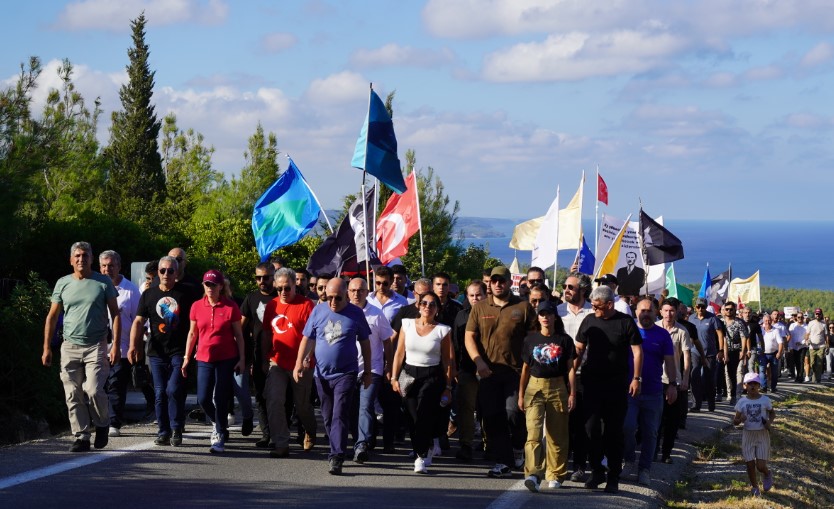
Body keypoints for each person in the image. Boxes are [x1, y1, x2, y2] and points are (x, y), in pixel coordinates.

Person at [43, 242, 120, 452]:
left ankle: (103, 423)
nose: (81, 259)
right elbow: (52, 316)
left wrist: (115, 346)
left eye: (85, 255)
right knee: (72, 393)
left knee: (93, 389)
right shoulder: (63, 283)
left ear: (91, 258)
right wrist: (47, 347)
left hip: (96, 344)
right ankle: (82, 436)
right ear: (71, 260)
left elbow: (115, 314)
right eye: (77, 256)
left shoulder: (103, 282)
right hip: (69, 345)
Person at [293, 278, 372, 475]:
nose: (333, 302)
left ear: (346, 295)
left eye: (337, 298)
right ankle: (336, 445)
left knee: (340, 413)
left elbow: (365, 344)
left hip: (346, 372)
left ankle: (337, 456)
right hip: (322, 374)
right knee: (327, 416)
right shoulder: (318, 311)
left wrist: (368, 371)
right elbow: (308, 338)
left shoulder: (356, 314)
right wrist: (298, 364)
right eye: (329, 298)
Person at [465, 266, 537, 479]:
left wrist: (529, 365)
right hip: (488, 372)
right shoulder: (479, 308)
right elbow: (469, 336)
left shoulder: (523, 307)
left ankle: (517, 446)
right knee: (492, 417)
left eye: (501, 280)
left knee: (513, 413)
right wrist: (478, 362)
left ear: (508, 282)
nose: (497, 284)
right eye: (494, 280)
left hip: (516, 372)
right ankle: (503, 462)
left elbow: (533, 338)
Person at [574, 285, 643, 494]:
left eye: (598, 306)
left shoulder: (625, 322)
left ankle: (613, 476)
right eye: (593, 306)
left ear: (609, 304)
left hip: (616, 385)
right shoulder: (589, 321)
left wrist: (636, 378)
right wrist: (570, 374)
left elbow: (637, 352)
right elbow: (579, 349)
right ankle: (597, 470)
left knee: (614, 431)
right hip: (591, 383)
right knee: (591, 428)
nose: (594, 310)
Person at [129, 256, 196, 446]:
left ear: (177, 273)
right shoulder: (148, 295)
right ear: (158, 272)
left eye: (171, 271)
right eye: (162, 271)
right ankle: (164, 431)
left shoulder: (187, 294)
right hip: (156, 352)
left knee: (173, 389)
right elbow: (138, 321)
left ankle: (177, 427)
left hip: (179, 351)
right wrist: (134, 346)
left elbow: (196, 322)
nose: (166, 274)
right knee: (159, 393)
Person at [182, 270, 246, 453]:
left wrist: (241, 359)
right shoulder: (196, 306)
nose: (209, 288)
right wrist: (187, 358)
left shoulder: (230, 306)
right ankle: (219, 423)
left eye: (213, 285)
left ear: (220, 286)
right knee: (202, 397)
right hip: (203, 357)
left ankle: (218, 435)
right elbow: (192, 333)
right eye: (206, 284)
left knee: (220, 397)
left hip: (226, 358)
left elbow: (239, 336)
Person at [391, 291, 453, 474]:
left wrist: (448, 386)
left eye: (432, 304)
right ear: (418, 305)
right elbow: (399, 353)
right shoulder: (407, 324)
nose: (427, 307)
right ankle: (425, 445)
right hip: (409, 374)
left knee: (424, 412)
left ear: (437, 309)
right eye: (424, 303)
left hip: (432, 376)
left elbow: (447, 361)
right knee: (412, 416)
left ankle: (421, 455)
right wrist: (394, 377)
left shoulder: (443, 330)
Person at [519, 301, 576, 492]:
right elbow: (525, 369)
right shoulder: (530, 340)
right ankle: (533, 474)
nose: (545, 317)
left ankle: (556, 474)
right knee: (533, 433)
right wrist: (521, 394)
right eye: (542, 314)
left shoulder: (564, 340)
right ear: (538, 317)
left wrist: (572, 393)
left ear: (554, 317)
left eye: (548, 314)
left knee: (557, 434)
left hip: (558, 386)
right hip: (534, 387)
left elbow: (570, 369)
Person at [261, 267, 317, 457]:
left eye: (287, 288)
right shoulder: (272, 306)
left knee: (302, 406)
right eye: (279, 289)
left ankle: (310, 429)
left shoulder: (307, 305)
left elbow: (314, 336)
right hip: (277, 362)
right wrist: (263, 358)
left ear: (295, 285)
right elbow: (267, 333)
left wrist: (307, 358)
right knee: (274, 400)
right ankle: (281, 443)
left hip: (301, 364)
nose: (283, 292)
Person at [622, 298, 677, 486]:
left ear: (656, 313)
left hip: (653, 392)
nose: (646, 314)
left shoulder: (662, 335)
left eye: (649, 310)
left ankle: (644, 468)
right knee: (627, 427)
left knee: (650, 433)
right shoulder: (628, 331)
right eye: (642, 310)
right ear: (635, 311)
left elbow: (670, 361)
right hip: (629, 392)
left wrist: (672, 384)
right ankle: (628, 460)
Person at [347, 277, 394, 464]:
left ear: (367, 292)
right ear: (347, 292)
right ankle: (358, 439)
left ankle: (362, 445)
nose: (356, 294)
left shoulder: (376, 314)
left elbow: (387, 340)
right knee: (351, 408)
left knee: (365, 406)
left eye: (360, 290)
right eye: (353, 290)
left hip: (372, 368)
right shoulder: (342, 311)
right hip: (348, 368)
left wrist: (389, 365)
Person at [99, 250, 140, 437]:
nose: (108, 269)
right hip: (97, 347)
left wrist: (134, 346)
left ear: (119, 267)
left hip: (121, 347)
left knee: (116, 385)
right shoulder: (94, 286)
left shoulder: (131, 290)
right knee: (98, 386)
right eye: (104, 266)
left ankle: (114, 422)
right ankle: (100, 420)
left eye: (111, 265)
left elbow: (139, 321)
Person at [556, 273, 593, 482]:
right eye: (564, 286)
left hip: (584, 376)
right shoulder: (557, 312)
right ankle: (559, 463)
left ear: (583, 290)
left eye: (570, 287)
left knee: (581, 424)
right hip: (559, 374)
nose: (566, 290)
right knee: (561, 423)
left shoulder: (592, 312)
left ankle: (580, 466)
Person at [240, 262, 277, 447]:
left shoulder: (281, 295)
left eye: (266, 277)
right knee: (261, 396)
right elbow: (240, 326)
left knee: (279, 396)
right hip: (258, 354)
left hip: (280, 354)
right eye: (258, 278)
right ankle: (266, 434)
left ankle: (280, 433)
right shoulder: (251, 298)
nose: (262, 281)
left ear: (274, 276)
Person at [450, 280, 486, 461]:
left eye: (478, 295)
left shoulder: (492, 315)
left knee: (487, 408)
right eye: (471, 295)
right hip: (466, 369)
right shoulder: (461, 316)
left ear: (486, 295)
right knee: (466, 409)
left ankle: (489, 444)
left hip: (489, 370)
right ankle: (466, 444)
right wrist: (454, 368)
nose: (475, 298)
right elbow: (456, 344)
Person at [655, 298, 692, 465]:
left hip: (674, 381)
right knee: (655, 419)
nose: (669, 314)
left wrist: (685, 378)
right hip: (656, 379)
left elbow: (686, 357)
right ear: (660, 312)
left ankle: (666, 452)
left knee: (671, 420)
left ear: (676, 312)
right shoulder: (654, 328)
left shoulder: (682, 331)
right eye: (666, 310)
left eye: (672, 311)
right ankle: (653, 451)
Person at [733, 372, 775, 497]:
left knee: (760, 466)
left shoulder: (765, 400)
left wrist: (769, 422)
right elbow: (735, 421)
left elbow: (772, 413)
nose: (752, 386)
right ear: (745, 386)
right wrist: (740, 420)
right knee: (750, 464)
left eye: (755, 383)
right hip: (748, 435)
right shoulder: (742, 402)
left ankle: (767, 473)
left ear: (759, 386)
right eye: (750, 383)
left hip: (762, 434)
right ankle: (754, 487)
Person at [689, 298, 723, 412]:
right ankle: (696, 404)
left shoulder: (712, 318)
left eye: (702, 307)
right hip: (695, 352)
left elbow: (720, 334)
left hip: (710, 353)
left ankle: (711, 403)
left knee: (708, 380)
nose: (700, 309)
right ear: (695, 307)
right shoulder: (691, 318)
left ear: (706, 307)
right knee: (695, 377)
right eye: (698, 307)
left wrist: (721, 350)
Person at [759, 313, 783, 392]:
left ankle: (773, 387)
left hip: (773, 354)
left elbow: (780, 342)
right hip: (763, 354)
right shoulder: (760, 330)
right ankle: (763, 386)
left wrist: (779, 352)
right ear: (763, 321)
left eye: (769, 320)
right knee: (762, 370)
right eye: (765, 321)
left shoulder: (776, 330)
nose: (767, 322)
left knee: (774, 372)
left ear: (771, 321)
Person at [805, 308, 829, 383]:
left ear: (821, 314)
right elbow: (807, 334)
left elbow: (826, 335)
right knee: (812, 363)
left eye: (819, 314)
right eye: (816, 314)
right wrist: (806, 340)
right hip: (812, 346)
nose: (817, 315)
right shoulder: (811, 323)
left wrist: (827, 344)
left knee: (819, 363)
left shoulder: (824, 324)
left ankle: (818, 379)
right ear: (815, 314)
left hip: (821, 346)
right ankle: (814, 375)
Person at [788, 313, 808, 382]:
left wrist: (801, 342)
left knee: (801, 361)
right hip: (794, 347)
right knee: (796, 362)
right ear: (796, 317)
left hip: (803, 346)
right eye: (799, 317)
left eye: (801, 317)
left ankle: (800, 376)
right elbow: (790, 337)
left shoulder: (806, 326)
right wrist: (790, 347)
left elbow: (807, 337)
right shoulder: (792, 325)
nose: (800, 318)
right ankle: (798, 376)